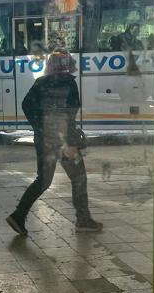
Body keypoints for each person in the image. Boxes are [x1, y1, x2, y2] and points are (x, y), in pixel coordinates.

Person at [6, 49, 103, 236]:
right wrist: (72, 143)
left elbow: (27, 105)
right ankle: (83, 220)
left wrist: (39, 127)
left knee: (43, 180)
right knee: (79, 178)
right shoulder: (68, 84)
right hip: (64, 142)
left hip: (44, 140)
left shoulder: (40, 83)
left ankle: (18, 215)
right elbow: (68, 117)